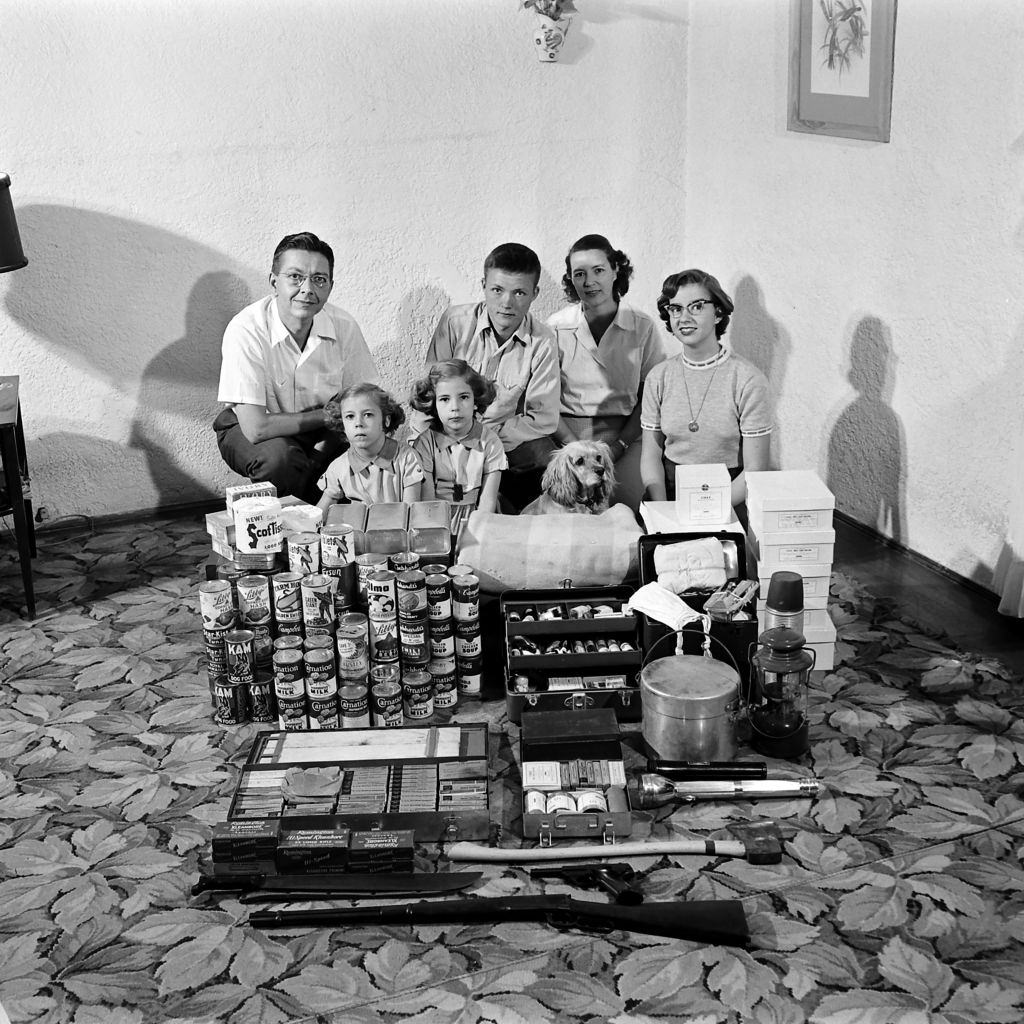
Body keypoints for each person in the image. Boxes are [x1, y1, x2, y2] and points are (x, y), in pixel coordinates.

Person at [214, 231, 379, 502]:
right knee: (280, 459)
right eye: (295, 277)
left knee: (369, 440)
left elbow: (364, 399)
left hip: (325, 429)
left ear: (330, 286)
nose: (307, 289)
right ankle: (288, 530)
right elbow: (256, 428)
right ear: (274, 281)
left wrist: (326, 439)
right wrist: (327, 416)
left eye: (319, 279)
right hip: (253, 428)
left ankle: (330, 522)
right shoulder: (246, 328)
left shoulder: (344, 325)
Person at [424, 242, 558, 510]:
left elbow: (542, 418)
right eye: (497, 290)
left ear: (535, 294)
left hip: (504, 439)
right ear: (483, 285)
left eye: (519, 292)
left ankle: (525, 532)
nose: (506, 303)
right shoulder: (455, 322)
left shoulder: (543, 341)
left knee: (548, 460)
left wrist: (485, 441)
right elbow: (429, 394)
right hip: (446, 432)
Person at [547, 234, 676, 508]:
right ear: (571, 279)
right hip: (568, 437)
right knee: (571, 512)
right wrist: (576, 449)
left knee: (629, 510)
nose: (589, 281)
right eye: (579, 274)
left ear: (616, 270)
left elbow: (651, 398)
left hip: (625, 437)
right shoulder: (556, 327)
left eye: (599, 271)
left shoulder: (642, 326)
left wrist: (619, 446)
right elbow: (543, 398)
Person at [641, 269, 771, 508]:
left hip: (728, 496)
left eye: (697, 306)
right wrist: (662, 508)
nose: (684, 317)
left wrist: (706, 512)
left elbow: (756, 468)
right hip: (668, 494)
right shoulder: (658, 377)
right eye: (676, 308)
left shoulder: (747, 379)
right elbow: (650, 456)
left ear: (718, 313)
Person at [411, 360, 507, 515]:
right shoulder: (425, 444)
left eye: (463, 397)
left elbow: (488, 501)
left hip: (477, 518)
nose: (455, 407)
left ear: (475, 401)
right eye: (444, 399)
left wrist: (475, 532)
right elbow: (427, 502)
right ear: (434, 404)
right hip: (436, 517)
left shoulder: (490, 442)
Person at [316, 383, 423, 510]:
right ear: (342, 425)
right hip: (359, 528)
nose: (358, 423)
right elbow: (320, 513)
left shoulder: (407, 459)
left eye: (367, 415)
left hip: (400, 528)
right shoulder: (338, 467)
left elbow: (412, 513)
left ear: (386, 420)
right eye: (350, 416)